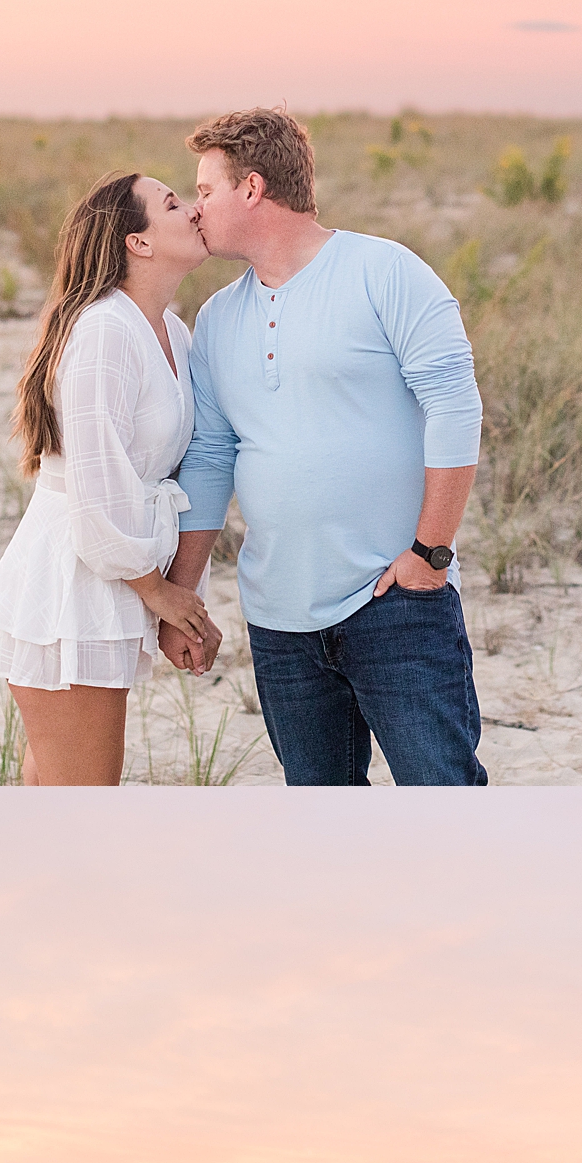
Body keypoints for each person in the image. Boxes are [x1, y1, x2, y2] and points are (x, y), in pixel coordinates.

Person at [161, 108, 488, 785]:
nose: (195, 209)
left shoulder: (385, 272)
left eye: (204, 190)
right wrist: (182, 598)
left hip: (396, 602)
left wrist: (430, 555)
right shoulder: (218, 318)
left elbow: (454, 406)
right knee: (322, 823)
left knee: (446, 806)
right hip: (279, 621)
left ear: (251, 189)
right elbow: (213, 459)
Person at [0, 171, 222, 784]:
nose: (193, 210)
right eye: (172, 203)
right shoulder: (103, 333)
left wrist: (172, 592)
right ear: (137, 242)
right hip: (74, 582)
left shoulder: (173, 332)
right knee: (84, 803)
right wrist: (159, 593)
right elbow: (96, 487)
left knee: (58, 797)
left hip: (116, 578)